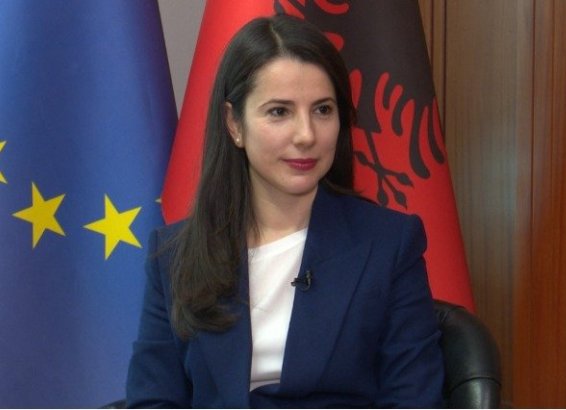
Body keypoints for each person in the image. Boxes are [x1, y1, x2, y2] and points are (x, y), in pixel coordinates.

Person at [126, 14, 444, 408]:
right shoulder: (175, 255)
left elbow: (414, 398)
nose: (306, 135)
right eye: (279, 112)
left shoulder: (389, 244)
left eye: (323, 110)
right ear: (234, 124)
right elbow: (153, 399)